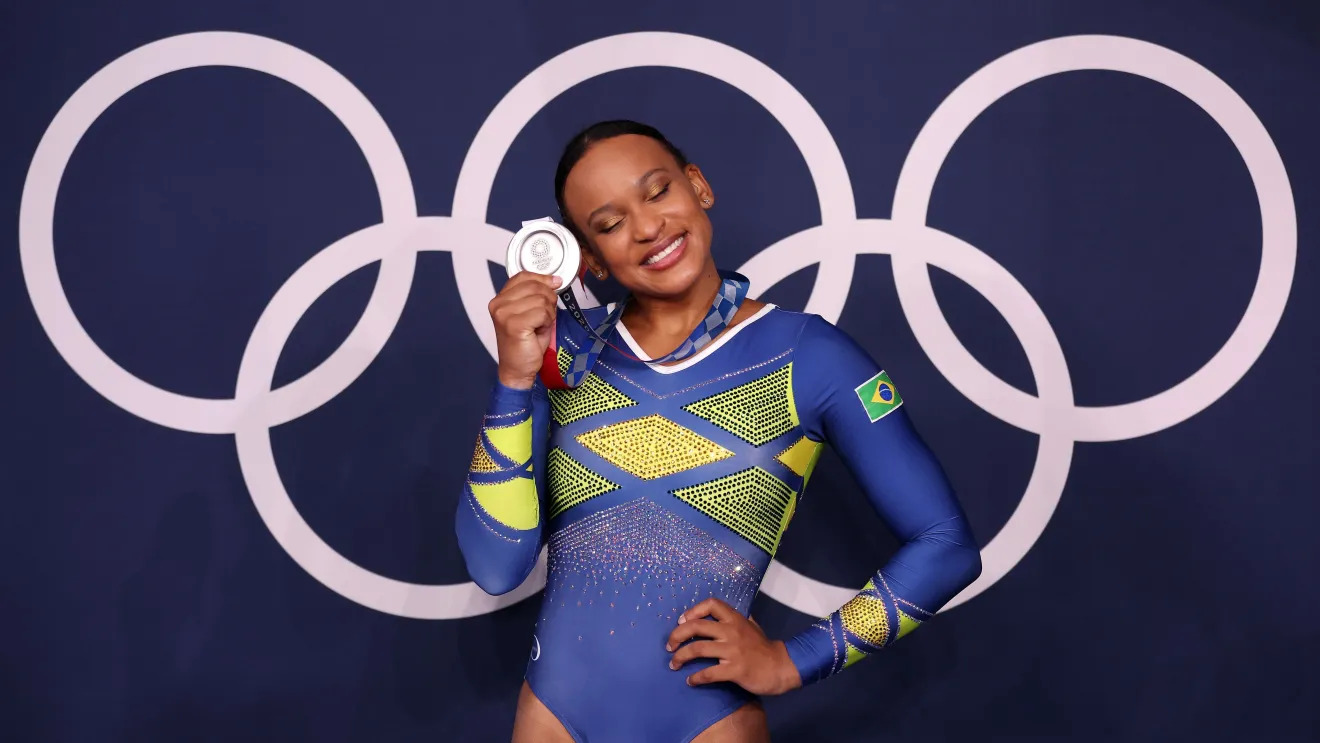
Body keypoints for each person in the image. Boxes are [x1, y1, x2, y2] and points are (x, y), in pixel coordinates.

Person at [455, 120, 982, 743]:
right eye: (610, 223)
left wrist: (796, 660)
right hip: (552, 722)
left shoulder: (808, 356)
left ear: (697, 186)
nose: (648, 228)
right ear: (588, 259)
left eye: (657, 192)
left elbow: (946, 544)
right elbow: (496, 566)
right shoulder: (561, 354)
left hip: (707, 724)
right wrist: (514, 380)